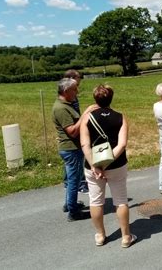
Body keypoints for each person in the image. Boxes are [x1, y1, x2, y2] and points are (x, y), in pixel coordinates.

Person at [80, 84, 137, 248]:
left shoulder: (87, 118)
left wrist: (95, 165)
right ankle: (126, 237)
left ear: (95, 98)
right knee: (120, 200)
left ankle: (100, 235)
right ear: (111, 98)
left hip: (92, 167)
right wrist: (107, 163)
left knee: (96, 201)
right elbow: (122, 144)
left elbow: (85, 144)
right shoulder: (120, 117)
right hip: (116, 164)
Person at [52, 78, 96, 221]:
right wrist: (86, 114)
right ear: (66, 91)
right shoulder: (61, 108)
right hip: (71, 149)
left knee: (73, 178)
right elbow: (72, 131)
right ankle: (73, 212)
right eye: (74, 89)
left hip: (72, 148)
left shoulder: (66, 104)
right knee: (74, 180)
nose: (77, 92)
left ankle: (69, 204)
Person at [63, 69, 89, 194]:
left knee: (72, 161)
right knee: (76, 158)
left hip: (76, 126)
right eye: (79, 77)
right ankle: (79, 184)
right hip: (74, 129)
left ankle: (69, 182)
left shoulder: (72, 93)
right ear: (72, 78)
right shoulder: (69, 96)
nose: (80, 79)